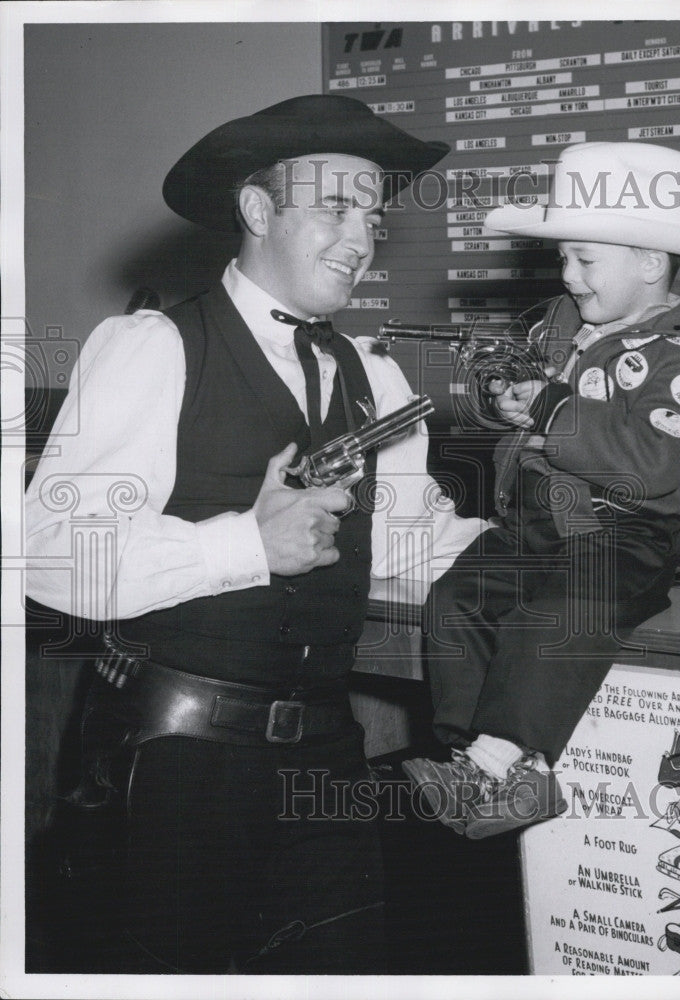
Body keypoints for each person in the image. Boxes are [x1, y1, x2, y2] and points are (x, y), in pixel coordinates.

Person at [25, 94, 485, 973]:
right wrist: (244, 545)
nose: (361, 238)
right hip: (174, 763)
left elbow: (404, 546)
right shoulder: (152, 346)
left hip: (326, 754)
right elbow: (51, 552)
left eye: (373, 217)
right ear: (256, 209)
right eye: (335, 208)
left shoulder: (376, 380)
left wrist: (563, 531)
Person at [403, 141, 680, 840]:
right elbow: (518, 386)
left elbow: (649, 463)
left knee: (555, 617)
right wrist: (508, 398)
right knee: (456, 598)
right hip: (536, 525)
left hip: (626, 532)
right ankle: (475, 762)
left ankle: (501, 759)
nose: (568, 276)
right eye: (563, 258)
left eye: (584, 260)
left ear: (651, 263)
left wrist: (549, 414)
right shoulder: (562, 327)